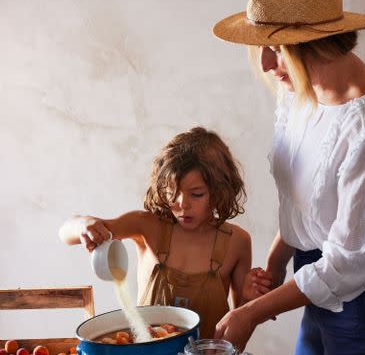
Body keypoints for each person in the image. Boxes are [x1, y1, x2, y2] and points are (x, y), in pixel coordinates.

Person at [212, 0, 365, 355]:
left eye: (277, 49)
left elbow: (350, 261)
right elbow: (302, 201)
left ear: (317, 44)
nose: (267, 65)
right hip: (312, 283)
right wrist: (274, 259)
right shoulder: (297, 96)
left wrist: (252, 312)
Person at [59, 126, 261, 338]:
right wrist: (84, 225)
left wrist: (250, 300)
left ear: (220, 190)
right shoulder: (146, 226)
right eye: (172, 193)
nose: (183, 205)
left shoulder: (237, 242)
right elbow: (65, 233)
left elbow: (237, 338)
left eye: (197, 194)